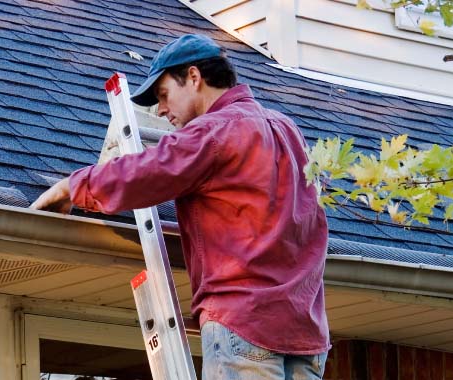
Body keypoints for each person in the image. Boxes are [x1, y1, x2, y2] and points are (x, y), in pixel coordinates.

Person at [30, 34, 331, 380]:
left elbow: (148, 172)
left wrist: (72, 186)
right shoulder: (288, 131)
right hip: (305, 333)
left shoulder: (215, 131)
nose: (159, 109)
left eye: (163, 94)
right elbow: (314, 223)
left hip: (243, 323)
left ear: (193, 77)